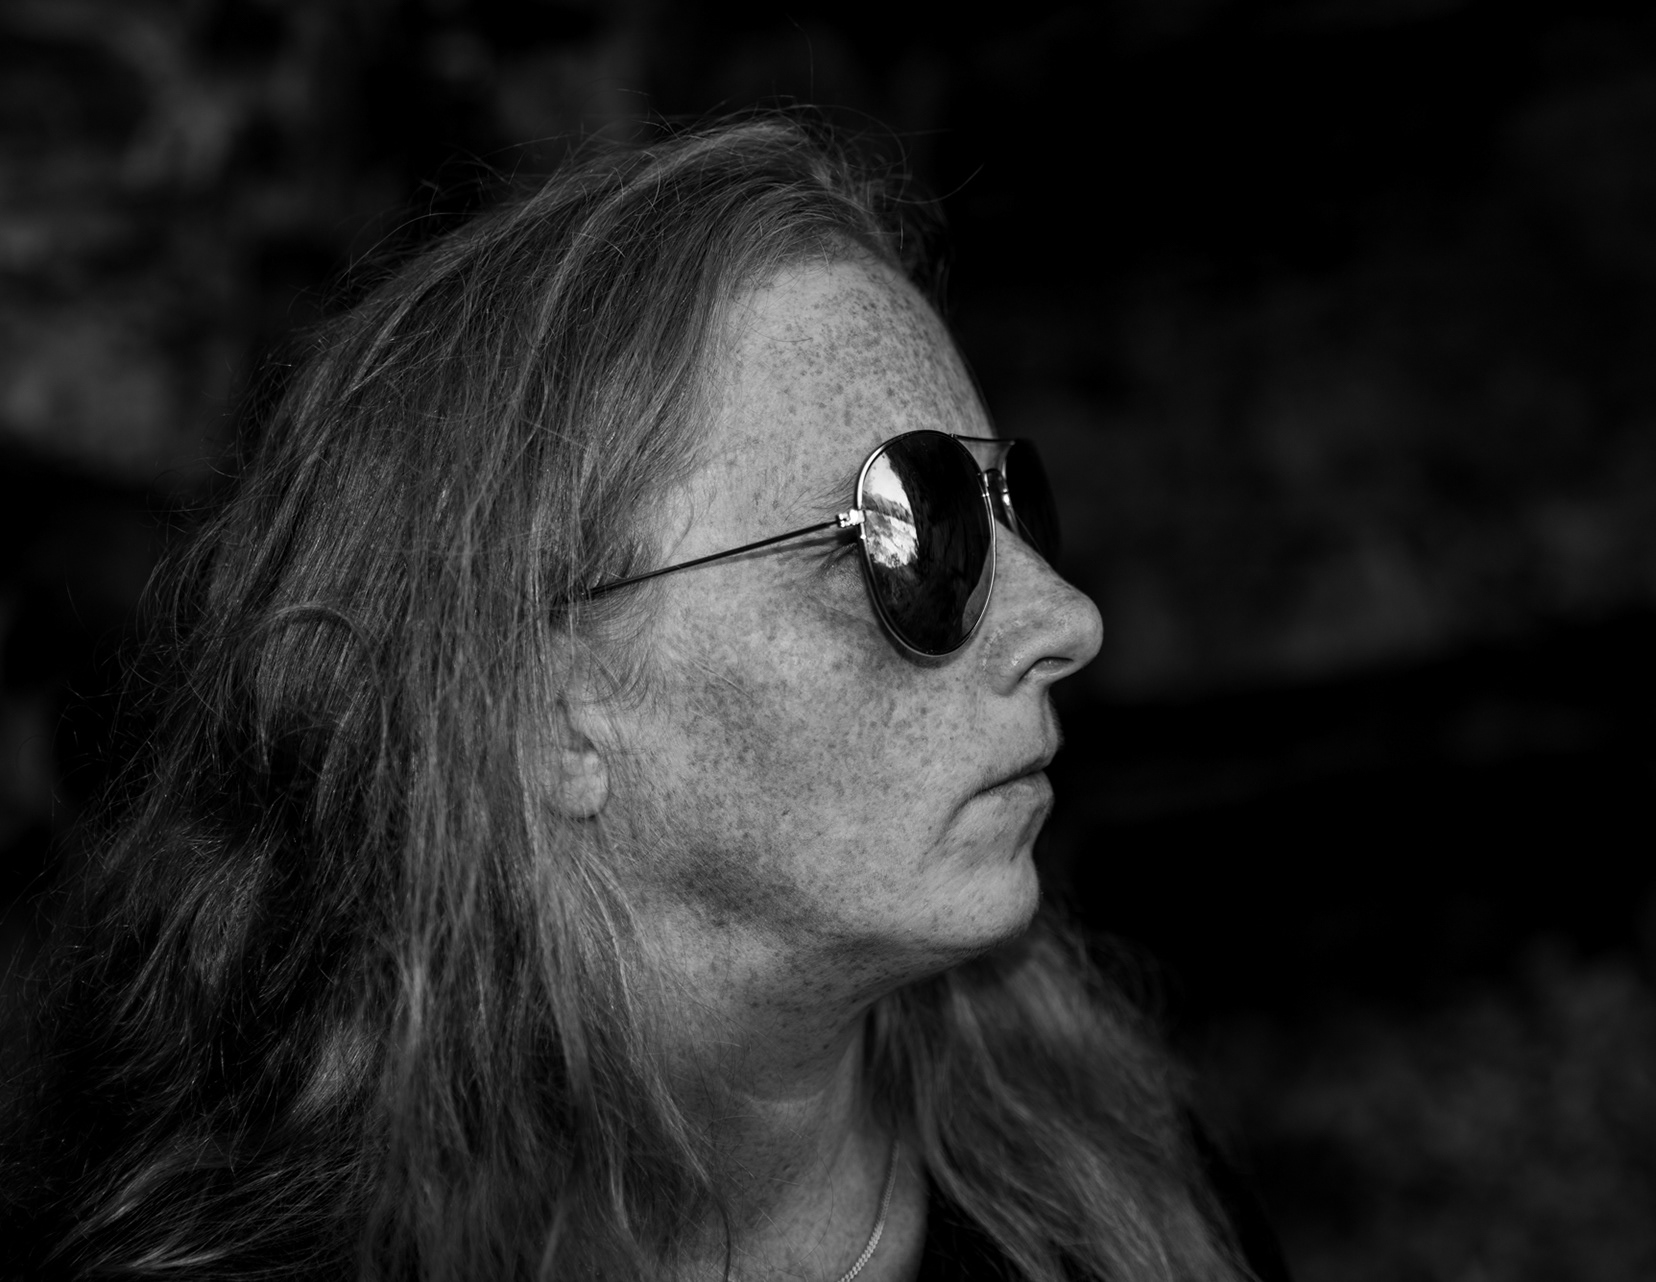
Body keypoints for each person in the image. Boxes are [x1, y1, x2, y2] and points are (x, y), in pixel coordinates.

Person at [0, 114, 1286, 1282]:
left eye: (1010, 503)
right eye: (912, 526)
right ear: (553, 713)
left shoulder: (1117, 1184)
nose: (1068, 619)